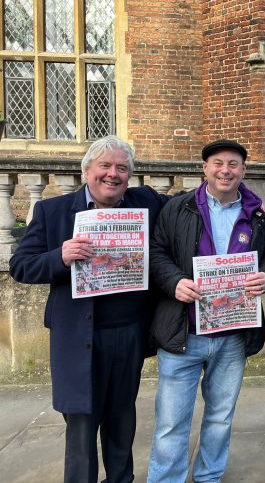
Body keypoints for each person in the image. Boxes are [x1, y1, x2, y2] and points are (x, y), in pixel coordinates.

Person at [9, 136, 168, 483]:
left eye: (122, 168)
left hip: (127, 334)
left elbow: (195, 204)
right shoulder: (53, 211)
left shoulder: (147, 203)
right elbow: (20, 265)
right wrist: (59, 257)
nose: (113, 174)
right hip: (76, 337)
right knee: (81, 426)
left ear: (130, 176)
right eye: (105, 166)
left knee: (121, 421)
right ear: (86, 171)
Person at [147, 140, 265, 483]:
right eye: (218, 163)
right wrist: (174, 280)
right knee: (171, 422)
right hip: (183, 334)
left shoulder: (258, 216)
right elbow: (156, 253)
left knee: (220, 417)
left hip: (233, 336)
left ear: (243, 170)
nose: (225, 170)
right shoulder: (177, 208)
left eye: (233, 164)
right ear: (204, 168)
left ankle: (209, 477)